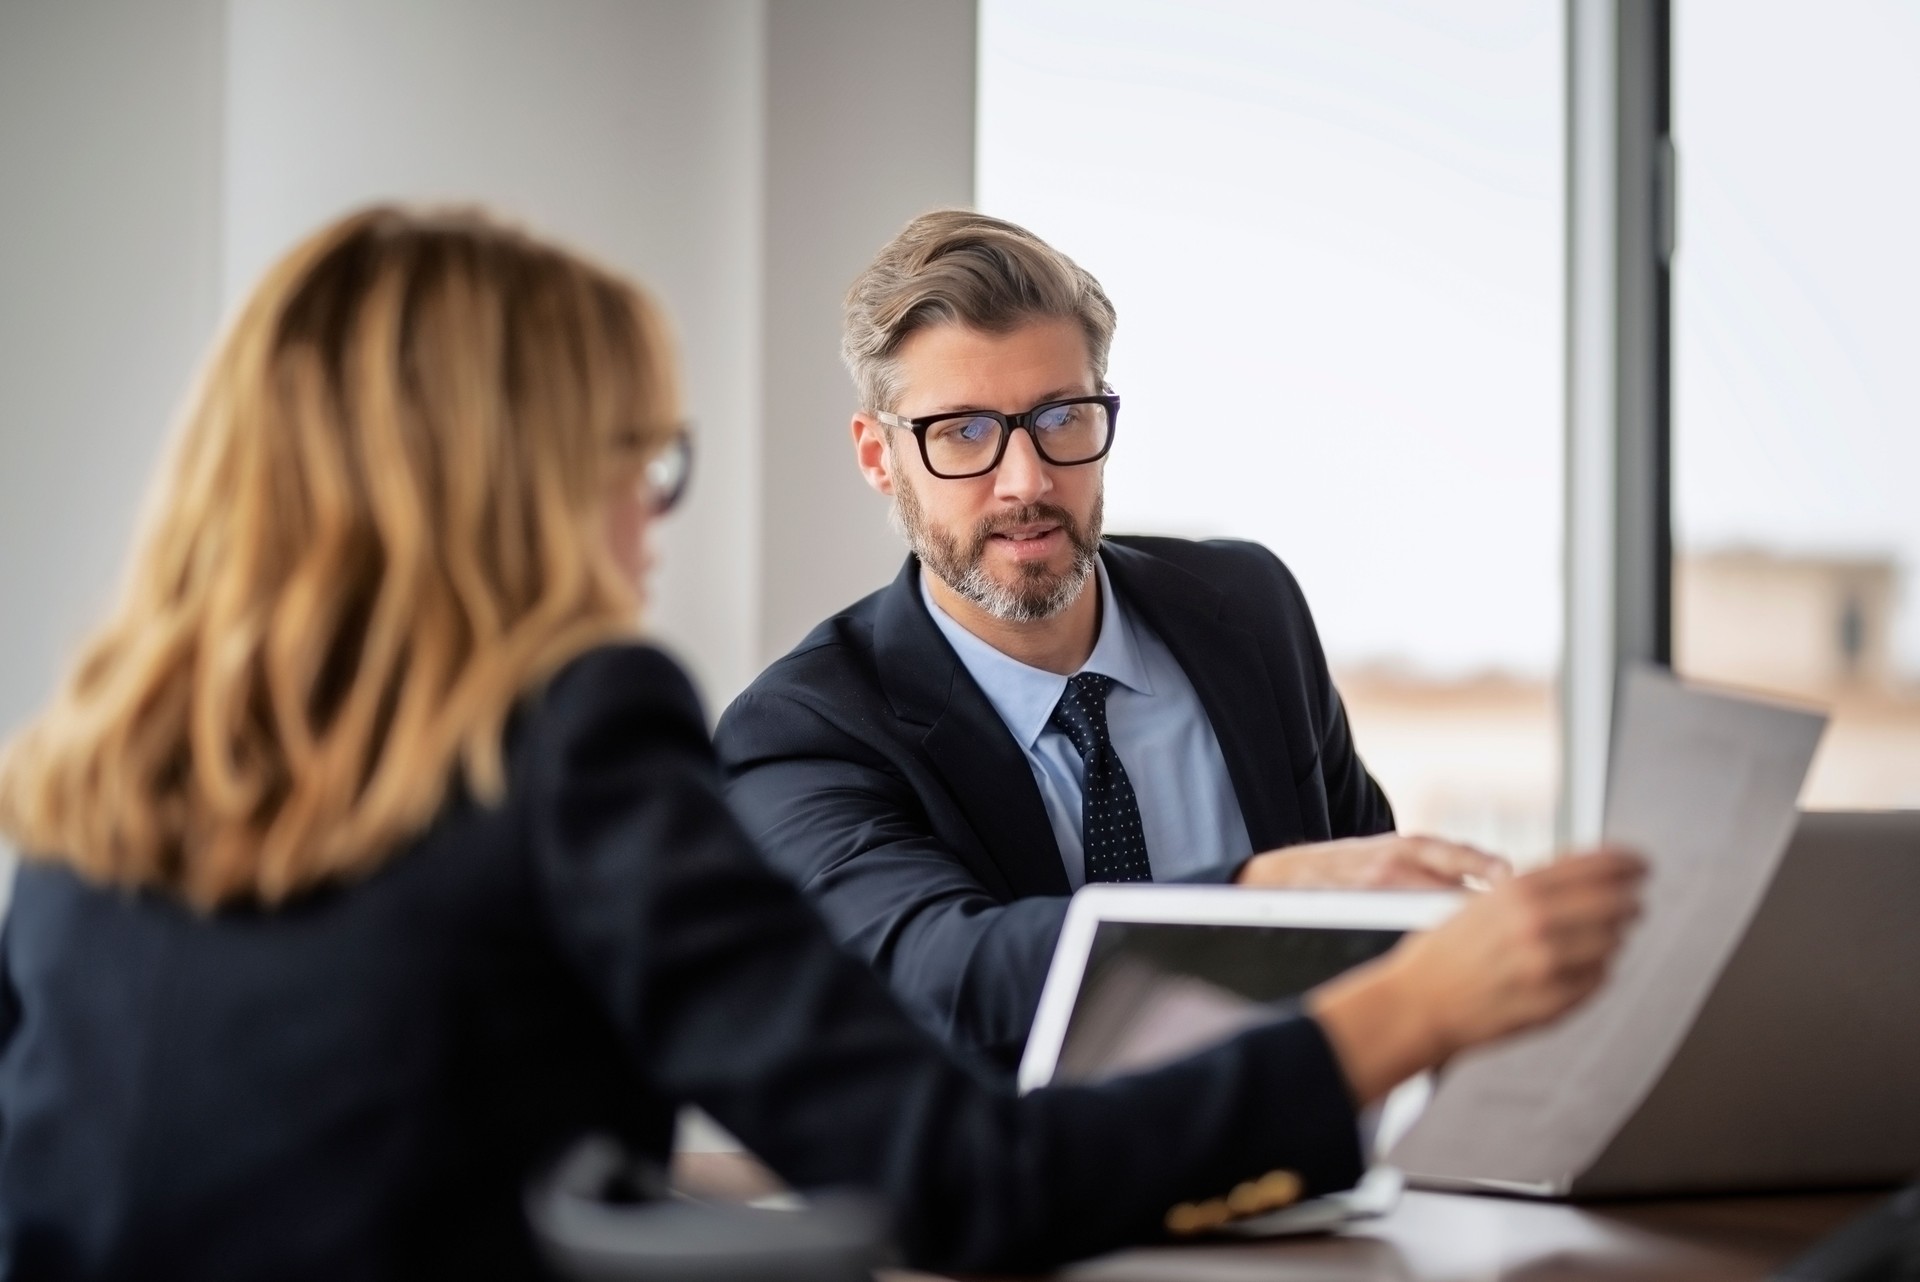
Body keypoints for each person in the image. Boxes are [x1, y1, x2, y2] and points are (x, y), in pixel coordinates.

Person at [0, 206, 1643, 1280]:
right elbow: (957, 1174)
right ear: (511, 481)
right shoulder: (601, 735)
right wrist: (1400, 1011)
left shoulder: (101, 772)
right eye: (637, 463)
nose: (647, 527)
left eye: (1061, 421)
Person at [714, 210, 1556, 1067]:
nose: (1027, 481)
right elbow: (944, 973)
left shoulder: (1250, 610)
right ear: (877, 456)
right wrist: (1254, 897)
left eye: (1060, 418)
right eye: (963, 431)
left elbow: (1373, 910)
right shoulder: (803, 729)